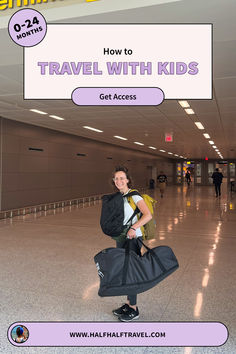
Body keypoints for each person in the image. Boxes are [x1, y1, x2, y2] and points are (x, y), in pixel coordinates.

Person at [111, 166, 152, 322]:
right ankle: (128, 304)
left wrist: (134, 227)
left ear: (127, 180)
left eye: (122, 178)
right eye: (116, 178)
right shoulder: (119, 196)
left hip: (133, 239)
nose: (119, 181)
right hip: (122, 238)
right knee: (124, 271)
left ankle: (133, 309)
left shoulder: (134, 195)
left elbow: (147, 215)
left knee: (131, 272)